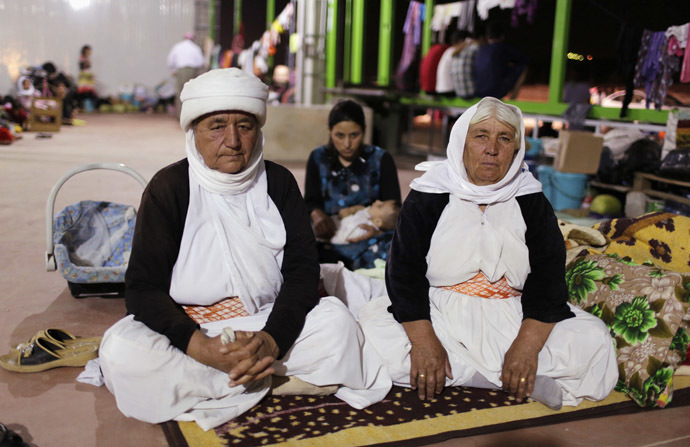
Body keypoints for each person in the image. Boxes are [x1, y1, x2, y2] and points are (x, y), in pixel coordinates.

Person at [98, 68, 391, 431]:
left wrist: (271, 340)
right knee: (121, 352)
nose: (233, 141)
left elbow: (301, 271)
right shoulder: (168, 187)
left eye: (246, 126)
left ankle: (233, 379)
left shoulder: (279, 182)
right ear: (194, 132)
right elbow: (142, 289)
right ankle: (266, 379)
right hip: (195, 327)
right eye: (217, 126)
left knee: (337, 326)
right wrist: (199, 346)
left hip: (264, 321)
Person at [358, 97, 618, 410]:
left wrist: (526, 347)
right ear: (461, 142)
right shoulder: (429, 193)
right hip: (440, 310)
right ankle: (504, 378)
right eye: (481, 136)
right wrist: (425, 342)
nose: (492, 148)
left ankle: (486, 372)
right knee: (372, 335)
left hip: (512, 312)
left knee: (594, 338)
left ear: (517, 149)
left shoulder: (530, 198)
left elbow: (548, 279)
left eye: (505, 138)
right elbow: (402, 272)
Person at [304, 99, 401, 266]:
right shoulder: (318, 158)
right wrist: (317, 215)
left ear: (364, 131)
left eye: (354, 135)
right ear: (329, 130)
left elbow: (393, 208)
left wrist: (377, 231)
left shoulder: (380, 159)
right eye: (339, 136)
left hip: (370, 240)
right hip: (329, 238)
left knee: (397, 248)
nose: (347, 144)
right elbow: (311, 200)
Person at [473, 23, 529, 100]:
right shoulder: (501, 47)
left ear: (487, 37)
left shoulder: (481, 49)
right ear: (502, 36)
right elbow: (524, 60)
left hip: (480, 91)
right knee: (523, 68)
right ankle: (513, 98)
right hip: (495, 91)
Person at [329, 199, 401, 245]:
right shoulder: (368, 214)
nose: (377, 201)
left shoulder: (363, 230)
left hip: (329, 234)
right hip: (332, 221)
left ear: (378, 222)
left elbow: (342, 238)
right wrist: (353, 209)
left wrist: (345, 217)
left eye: (380, 206)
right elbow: (361, 210)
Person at [167, 32, 205, 116]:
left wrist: (173, 70)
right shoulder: (196, 48)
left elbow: (170, 60)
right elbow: (201, 62)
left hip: (180, 70)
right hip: (192, 71)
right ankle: (191, 115)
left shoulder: (177, 46)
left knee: (180, 92)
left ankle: (180, 115)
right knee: (191, 92)